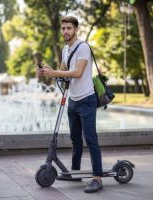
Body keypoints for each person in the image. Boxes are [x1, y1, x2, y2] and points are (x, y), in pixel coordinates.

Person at [37, 16, 103, 193]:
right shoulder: (65, 50)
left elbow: (78, 72)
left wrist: (54, 72)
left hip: (87, 100)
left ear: (76, 30)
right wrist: (48, 70)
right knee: (75, 138)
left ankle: (97, 178)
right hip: (73, 101)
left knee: (90, 138)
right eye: (63, 28)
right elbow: (64, 73)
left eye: (69, 28)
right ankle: (76, 172)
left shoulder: (83, 48)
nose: (65, 31)